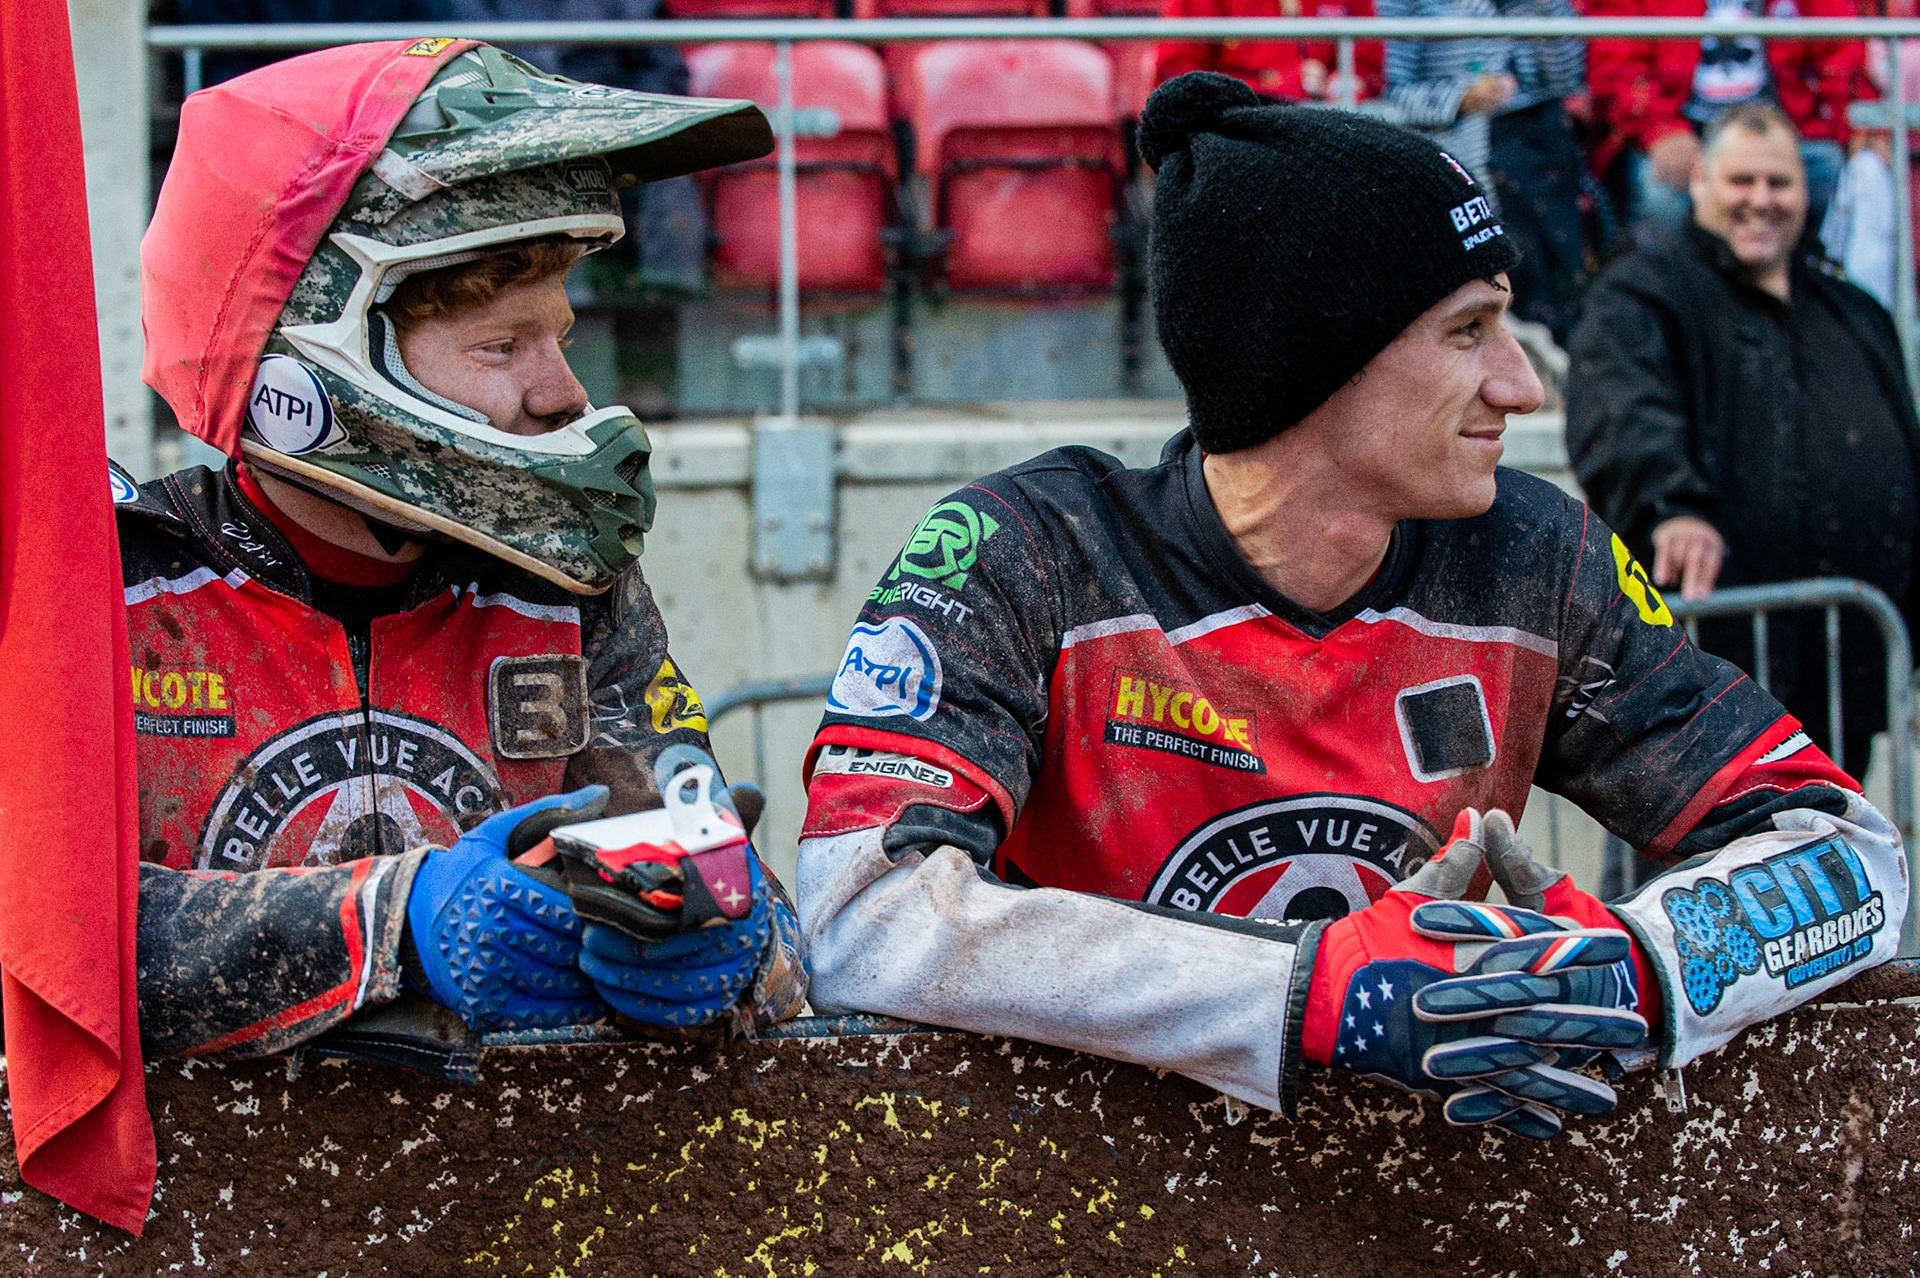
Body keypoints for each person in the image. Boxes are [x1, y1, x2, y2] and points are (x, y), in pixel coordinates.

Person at [793, 73, 1907, 1141]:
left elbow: (1857, 857)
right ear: (1312, 361)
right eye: (1470, 331)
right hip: (1084, 1209)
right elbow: (863, 914)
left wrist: (1645, 965)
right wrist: (1309, 990)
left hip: (1424, 1210)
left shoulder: (1538, 557)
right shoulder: (1025, 552)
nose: (1522, 383)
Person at [124, 39, 806, 1063]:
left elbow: (725, 883)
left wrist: (725, 942)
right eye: (502, 346)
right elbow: (46, 941)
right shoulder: (114, 588)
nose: (562, 393)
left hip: (512, 1206)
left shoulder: (565, 596)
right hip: (166, 1212)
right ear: (305, 371)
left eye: (560, 336)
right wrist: (395, 921)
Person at [1567, 101, 1920, 782]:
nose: (1761, 201)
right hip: (1709, 674)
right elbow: (1624, 411)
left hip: (1846, 666)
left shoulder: (1854, 310)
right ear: (1699, 181)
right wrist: (1674, 508)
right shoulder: (1643, 294)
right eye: (1741, 182)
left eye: (1779, 183)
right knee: (1689, 871)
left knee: (1828, 861)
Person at [1376, 0, 1589, 337]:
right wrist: (1461, 99)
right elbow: (1391, 96)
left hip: (1540, 151)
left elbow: (1568, 75)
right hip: (1459, 157)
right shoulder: (1407, 5)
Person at [1585, 0, 1864, 242]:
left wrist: (1857, 126)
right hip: (1684, 133)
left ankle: (1810, 289)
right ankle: (1669, 295)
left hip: (1783, 130)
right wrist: (1661, 131)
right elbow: (1615, 64)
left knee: (1835, 168)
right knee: (1660, 192)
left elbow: (1843, 51)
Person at [1154, 0, 1384, 105]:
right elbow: (1177, 85)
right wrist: (1277, 89)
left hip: (1329, 135)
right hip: (1237, 141)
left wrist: (1342, 85)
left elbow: (1369, 69)